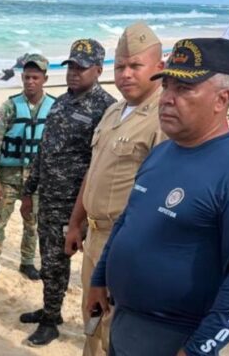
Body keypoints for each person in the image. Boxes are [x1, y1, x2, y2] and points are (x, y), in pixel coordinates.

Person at [88, 38, 229, 356]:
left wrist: (200, 348)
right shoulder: (161, 153)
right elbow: (129, 221)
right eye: (167, 87)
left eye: (184, 89)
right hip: (124, 321)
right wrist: (99, 278)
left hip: (177, 337)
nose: (167, 99)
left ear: (221, 99)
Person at [62, 21, 166, 356]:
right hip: (94, 237)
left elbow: (163, 197)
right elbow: (94, 173)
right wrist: (76, 222)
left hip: (126, 244)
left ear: (159, 68)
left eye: (136, 66)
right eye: (120, 66)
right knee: (91, 319)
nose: (125, 74)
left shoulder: (163, 118)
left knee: (115, 328)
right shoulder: (113, 112)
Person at [18, 38, 116, 346]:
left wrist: (82, 214)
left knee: (62, 261)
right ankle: (51, 310)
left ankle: (52, 321)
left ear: (99, 70)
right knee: (50, 260)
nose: (74, 73)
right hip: (48, 197)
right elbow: (45, 150)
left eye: (82, 68)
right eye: (71, 66)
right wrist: (28, 191)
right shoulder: (60, 102)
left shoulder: (106, 109)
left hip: (76, 204)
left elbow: (101, 164)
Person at [0, 53, 55, 283]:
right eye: (27, 77)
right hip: (8, 176)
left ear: (44, 79)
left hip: (37, 179)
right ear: (22, 78)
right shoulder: (10, 106)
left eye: (35, 77)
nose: (30, 82)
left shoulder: (54, 107)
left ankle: (27, 262)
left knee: (32, 224)